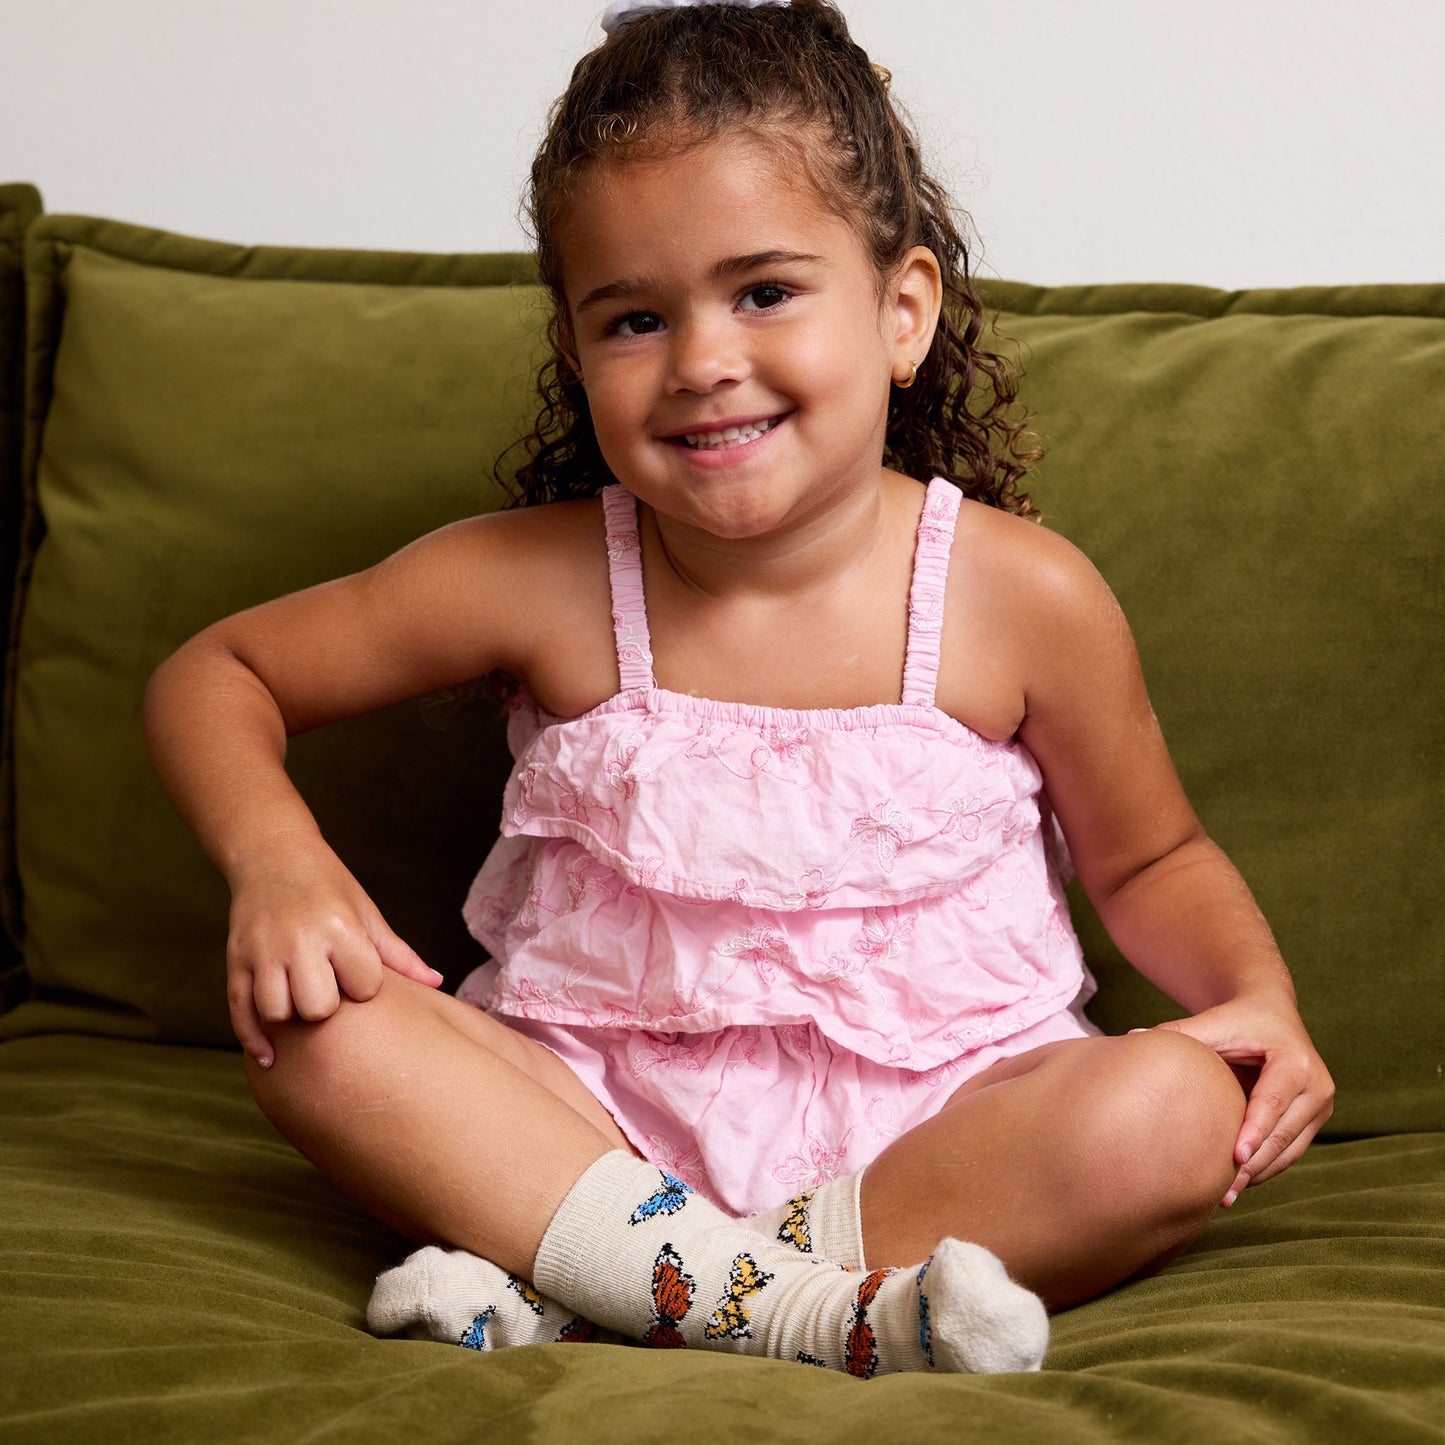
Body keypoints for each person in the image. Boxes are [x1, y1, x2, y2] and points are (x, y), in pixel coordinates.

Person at [144, 0, 1334, 1378]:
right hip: (582, 1128)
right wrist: (279, 868)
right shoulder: (536, 578)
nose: (703, 361)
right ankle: (813, 1314)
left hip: (938, 1142)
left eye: (764, 292)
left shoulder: (1019, 596)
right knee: (314, 1030)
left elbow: (1151, 858)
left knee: (1176, 1108)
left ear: (901, 311)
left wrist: (1258, 997)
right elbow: (216, 672)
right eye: (635, 318)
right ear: (575, 350)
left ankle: (611, 1282)